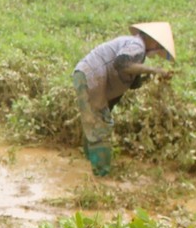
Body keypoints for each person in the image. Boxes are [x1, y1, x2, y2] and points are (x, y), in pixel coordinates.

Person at [72, 22, 177, 177]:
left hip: (87, 74)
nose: (156, 49)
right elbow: (121, 63)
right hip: (92, 75)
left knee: (95, 121)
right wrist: (154, 70)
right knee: (99, 125)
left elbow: (134, 82)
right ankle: (101, 175)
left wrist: (154, 76)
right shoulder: (137, 45)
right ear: (152, 41)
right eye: (157, 45)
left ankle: (89, 165)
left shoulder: (137, 53)